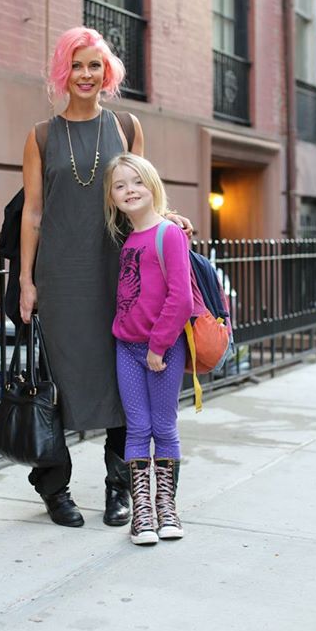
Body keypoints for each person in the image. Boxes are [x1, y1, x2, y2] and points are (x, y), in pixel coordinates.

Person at [19, 26, 193, 529]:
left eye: (94, 65)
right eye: (75, 65)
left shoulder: (126, 126)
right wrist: (27, 280)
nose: (85, 74)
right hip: (61, 279)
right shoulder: (41, 135)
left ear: (107, 71)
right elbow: (33, 212)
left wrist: (169, 219)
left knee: (123, 382)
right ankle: (55, 489)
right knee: (55, 386)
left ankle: (121, 489)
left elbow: (142, 191)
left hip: (123, 277)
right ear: (62, 72)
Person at [103, 153, 193, 545]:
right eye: (120, 185)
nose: (130, 190)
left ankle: (166, 508)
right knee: (137, 428)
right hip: (127, 348)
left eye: (137, 181)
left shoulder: (168, 233)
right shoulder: (128, 240)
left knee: (164, 426)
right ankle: (142, 512)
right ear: (111, 197)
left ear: (152, 184)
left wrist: (158, 346)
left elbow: (181, 298)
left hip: (163, 351)